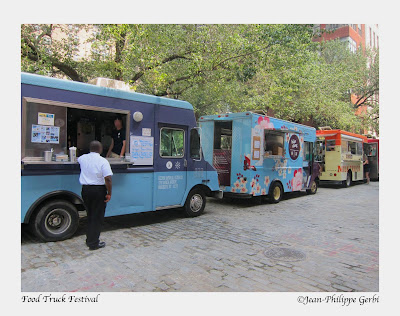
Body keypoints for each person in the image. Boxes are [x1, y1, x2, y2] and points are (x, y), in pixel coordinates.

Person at [78, 141, 113, 250]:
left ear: (90, 148)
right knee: (97, 217)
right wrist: (109, 193)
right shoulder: (103, 161)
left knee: (90, 214)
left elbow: (77, 160)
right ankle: (93, 243)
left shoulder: (82, 158)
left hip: (85, 189)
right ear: (100, 149)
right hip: (98, 190)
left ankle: (89, 240)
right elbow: (108, 179)